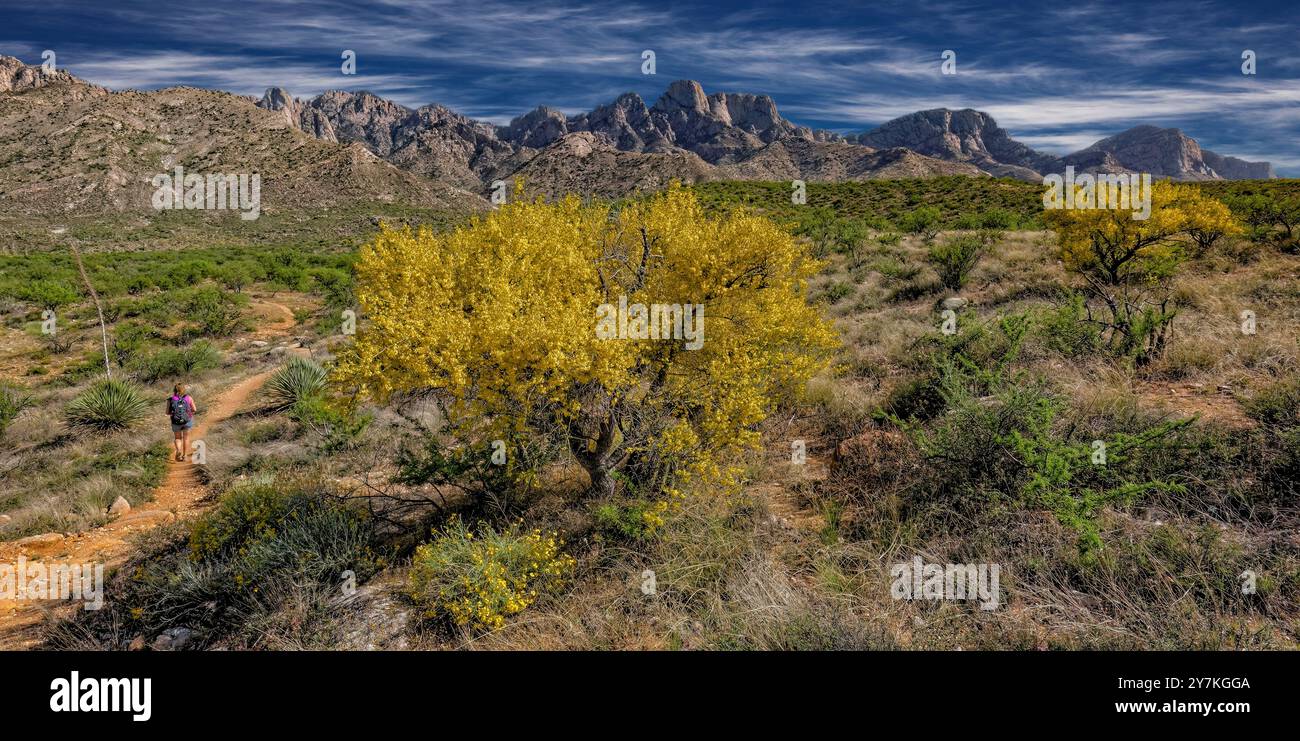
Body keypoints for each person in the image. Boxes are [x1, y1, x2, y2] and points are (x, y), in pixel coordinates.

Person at [167, 383, 198, 461]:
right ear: (184, 389)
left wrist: (173, 414)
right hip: (187, 421)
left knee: (178, 438)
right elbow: (194, 409)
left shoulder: (170, 399)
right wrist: (188, 413)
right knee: (186, 438)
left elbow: (167, 412)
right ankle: (184, 456)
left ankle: (178, 451)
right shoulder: (189, 398)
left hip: (175, 421)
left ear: (174, 390)